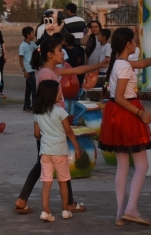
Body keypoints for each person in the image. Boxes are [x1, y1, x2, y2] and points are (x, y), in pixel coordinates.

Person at [14, 37, 107, 215]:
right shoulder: (46, 75)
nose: (63, 53)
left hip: (50, 126)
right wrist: (60, 122)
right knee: (60, 161)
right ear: (50, 55)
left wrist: (99, 64)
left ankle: (22, 199)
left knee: (43, 163)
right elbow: (44, 102)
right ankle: (68, 203)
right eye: (59, 50)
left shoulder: (52, 70)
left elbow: (79, 69)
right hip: (53, 127)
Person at [97, 27, 151, 227]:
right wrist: (140, 113)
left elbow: (141, 63)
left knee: (123, 166)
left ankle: (120, 213)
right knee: (142, 165)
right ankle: (131, 209)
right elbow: (121, 96)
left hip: (117, 113)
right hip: (128, 112)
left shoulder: (120, 63)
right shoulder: (122, 66)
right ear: (128, 44)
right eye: (134, 41)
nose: (136, 43)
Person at [33, 79, 82, 222]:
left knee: (46, 182)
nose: (61, 93)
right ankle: (65, 209)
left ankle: (45, 211)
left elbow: (36, 134)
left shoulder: (38, 113)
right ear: (51, 95)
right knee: (63, 181)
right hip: (60, 151)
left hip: (45, 152)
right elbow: (68, 131)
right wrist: (76, 146)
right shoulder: (61, 111)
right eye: (58, 91)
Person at [19, 26, 38, 113]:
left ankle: (26, 106)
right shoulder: (22, 46)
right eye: (32, 33)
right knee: (34, 88)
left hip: (32, 69)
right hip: (28, 70)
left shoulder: (32, 44)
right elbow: (20, 59)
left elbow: (37, 49)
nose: (34, 34)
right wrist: (24, 70)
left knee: (29, 89)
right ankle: (34, 105)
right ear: (28, 35)